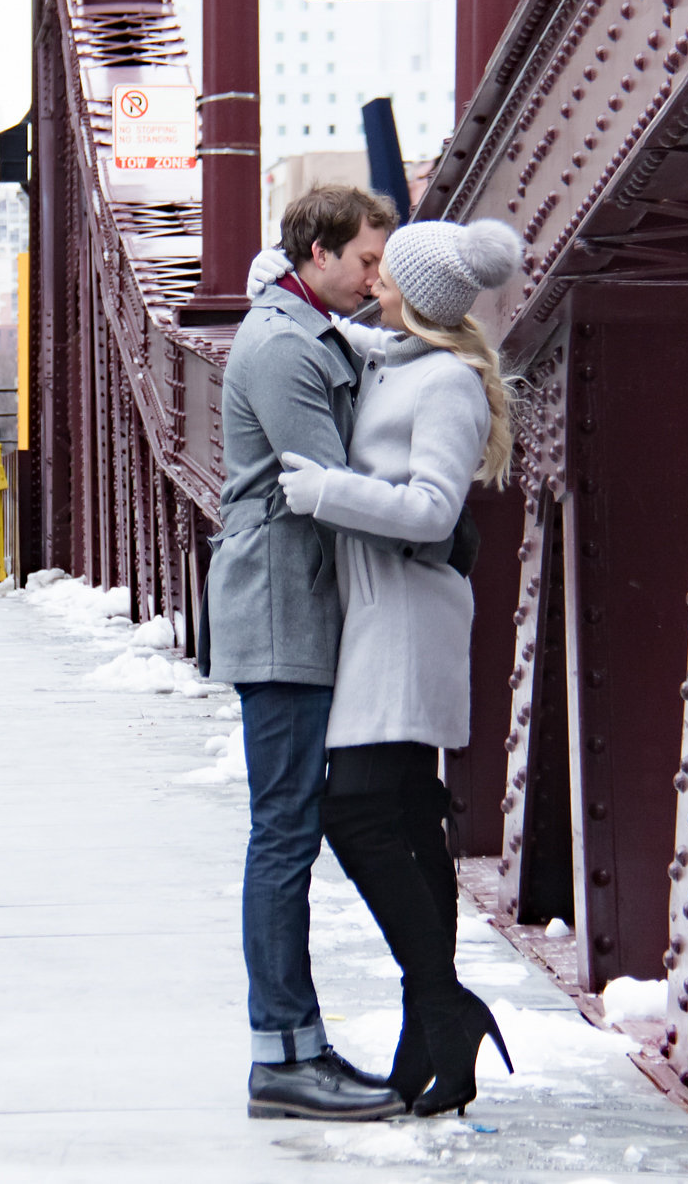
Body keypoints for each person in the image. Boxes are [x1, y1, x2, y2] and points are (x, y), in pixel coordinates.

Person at [267, 217, 523, 1115]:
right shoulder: (400, 360)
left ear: (418, 295)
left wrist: (326, 491)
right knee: (410, 814)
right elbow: (360, 341)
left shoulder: (447, 382)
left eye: (387, 274)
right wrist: (285, 282)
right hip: (379, 618)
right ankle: (435, 1033)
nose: (372, 281)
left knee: (358, 810)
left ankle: (441, 1003)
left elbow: (430, 509)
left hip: (407, 624)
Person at [204, 184, 406, 1122]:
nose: (376, 280)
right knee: (284, 830)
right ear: (317, 253)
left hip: (297, 607)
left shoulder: (308, 329)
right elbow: (331, 486)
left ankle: (297, 1042)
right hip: (285, 610)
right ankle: (282, 1053)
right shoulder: (286, 347)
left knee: (287, 828)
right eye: (367, 260)